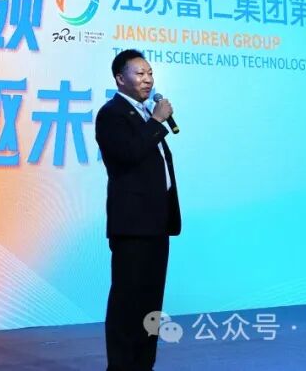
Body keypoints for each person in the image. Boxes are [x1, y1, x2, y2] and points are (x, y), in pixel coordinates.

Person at [95, 49, 181, 371]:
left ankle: (144, 365)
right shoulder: (112, 114)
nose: (148, 80)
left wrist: (154, 120)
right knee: (127, 303)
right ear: (120, 78)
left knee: (150, 304)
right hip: (132, 224)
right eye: (140, 74)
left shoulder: (144, 114)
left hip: (156, 223)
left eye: (150, 73)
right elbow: (128, 155)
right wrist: (157, 121)